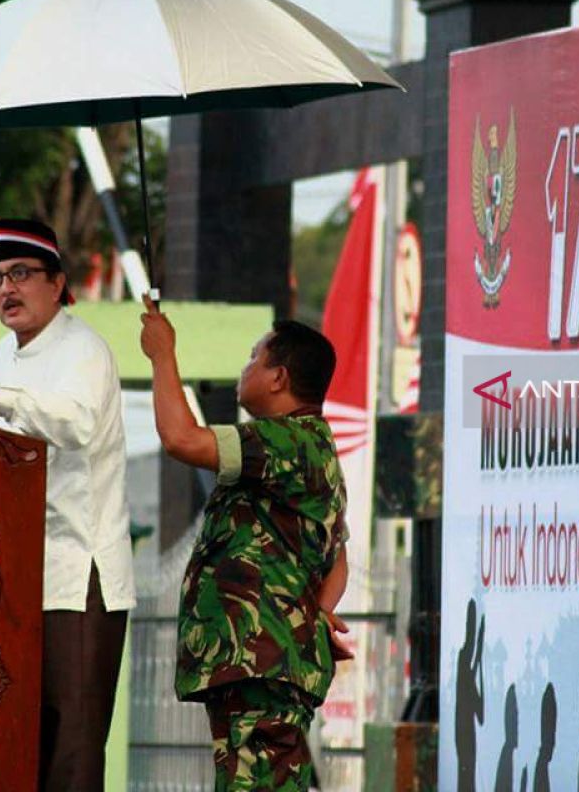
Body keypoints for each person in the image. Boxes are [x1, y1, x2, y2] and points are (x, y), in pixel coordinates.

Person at [0, 218, 134, 791]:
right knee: (20, 732)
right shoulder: (2, 352)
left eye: (21, 274)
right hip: (14, 575)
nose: (6, 290)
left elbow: (74, 423)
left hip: (79, 576)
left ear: (58, 281)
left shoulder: (84, 349)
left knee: (72, 741)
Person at [139, 297, 350, 791]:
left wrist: (162, 355)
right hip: (266, 662)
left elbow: (181, 439)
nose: (245, 367)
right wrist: (313, 615)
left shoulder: (283, 439)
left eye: (254, 357)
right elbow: (339, 558)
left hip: (262, 667)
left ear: (278, 377)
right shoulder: (313, 446)